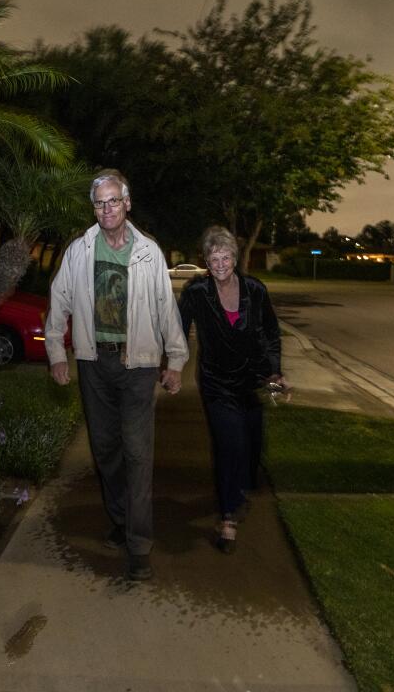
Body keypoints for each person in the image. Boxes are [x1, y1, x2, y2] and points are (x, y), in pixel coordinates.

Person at [45, 169, 188, 581]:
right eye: (99, 202)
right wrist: (56, 351)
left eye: (113, 200)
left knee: (138, 454)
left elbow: (165, 308)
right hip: (94, 362)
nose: (106, 209)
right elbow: (60, 301)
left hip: (139, 365)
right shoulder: (79, 250)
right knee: (106, 450)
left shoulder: (149, 252)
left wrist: (175, 361)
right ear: (94, 208)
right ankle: (121, 519)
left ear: (127, 203)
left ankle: (139, 546)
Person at [178, 225, 286, 554]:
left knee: (251, 446)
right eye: (214, 258)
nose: (220, 263)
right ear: (206, 262)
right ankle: (228, 518)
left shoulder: (255, 289)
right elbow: (177, 330)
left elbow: (270, 333)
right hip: (217, 382)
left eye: (226, 257)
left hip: (251, 380)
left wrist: (275, 372)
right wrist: (170, 365)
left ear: (235, 258)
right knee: (230, 443)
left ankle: (238, 491)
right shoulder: (196, 292)